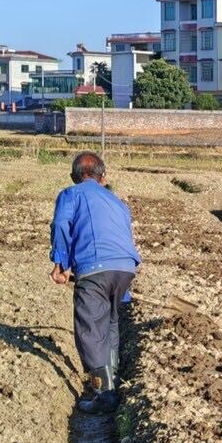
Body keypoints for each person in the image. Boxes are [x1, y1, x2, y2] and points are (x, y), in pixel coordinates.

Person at [50, 152, 141, 414]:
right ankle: (112, 378)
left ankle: (104, 394)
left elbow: (60, 225)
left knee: (89, 327)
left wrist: (60, 264)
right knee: (110, 321)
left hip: (94, 267)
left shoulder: (71, 194)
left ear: (74, 177)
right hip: (125, 268)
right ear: (103, 178)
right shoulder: (118, 202)